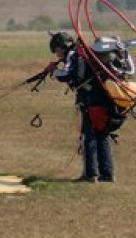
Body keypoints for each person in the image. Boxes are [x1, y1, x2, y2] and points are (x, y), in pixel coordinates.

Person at [47, 31, 128, 183]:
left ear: (61, 46)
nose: (56, 55)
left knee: (88, 136)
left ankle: (90, 175)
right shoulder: (84, 52)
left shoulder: (73, 53)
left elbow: (66, 74)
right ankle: (107, 174)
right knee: (102, 135)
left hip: (92, 101)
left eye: (56, 50)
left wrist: (54, 71)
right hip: (105, 99)